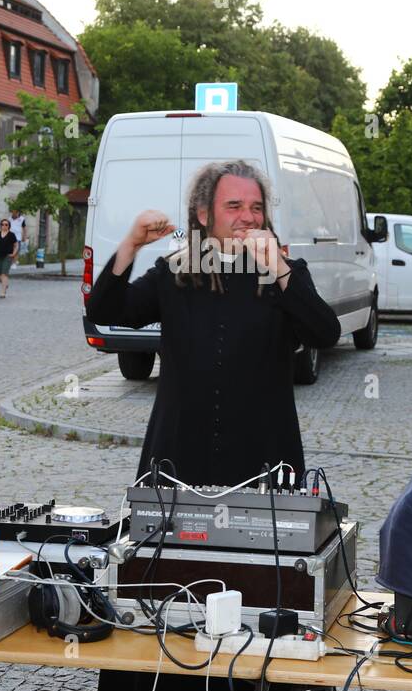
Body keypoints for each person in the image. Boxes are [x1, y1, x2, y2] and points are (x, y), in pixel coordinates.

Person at [85, 160, 342, 489]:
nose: (248, 217)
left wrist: (278, 267)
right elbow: (105, 311)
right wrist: (130, 245)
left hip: (263, 454)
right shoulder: (176, 272)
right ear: (204, 215)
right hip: (179, 456)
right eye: (234, 206)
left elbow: (325, 333)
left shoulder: (284, 273)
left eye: (256, 207)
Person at [0, 217, 18, 297]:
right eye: (2, 224)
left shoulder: (11, 235)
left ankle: (3, 292)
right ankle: (5, 284)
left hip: (7, 256)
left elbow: (16, 245)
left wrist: (13, 254)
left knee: (4, 274)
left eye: (6, 224)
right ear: (0, 226)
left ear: (9, 226)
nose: (4, 226)